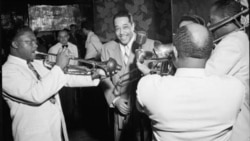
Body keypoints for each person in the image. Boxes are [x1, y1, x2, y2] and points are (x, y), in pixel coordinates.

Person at [136, 23, 245, 141]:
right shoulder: (235, 88)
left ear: (175, 52)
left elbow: (141, 106)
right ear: (211, 52)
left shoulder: (148, 86)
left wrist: (148, 74)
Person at [2, 27, 105, 141]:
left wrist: (98, 74)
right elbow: (36, 95)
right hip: (33, 135)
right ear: (15, 44)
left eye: (35, 41)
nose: (35, 45)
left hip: (55, 130)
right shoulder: (7, 72)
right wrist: (59, 66)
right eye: (29, 41)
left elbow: (65, 77)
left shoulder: (37, 63)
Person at [101, 10, 155, 141]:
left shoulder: (151, 45)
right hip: (120, 113)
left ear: (133, 26)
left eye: (125, 27)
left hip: (144, 113)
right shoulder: (107, 48)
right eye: (117, 28)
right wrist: (115, 100)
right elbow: (104, 78)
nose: (121, 32)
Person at [205, 0, 249, 140]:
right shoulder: (235, 40)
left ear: (225, 20)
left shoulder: (233, 42)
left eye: (212, 20)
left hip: (234, 126)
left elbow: (207, 74)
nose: (209, 25)